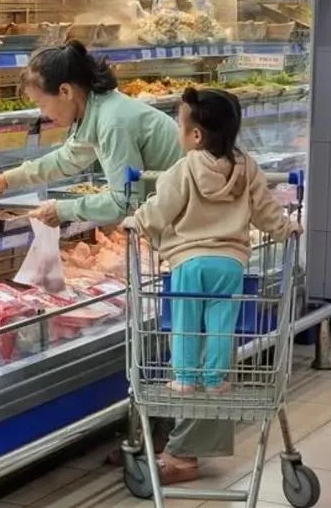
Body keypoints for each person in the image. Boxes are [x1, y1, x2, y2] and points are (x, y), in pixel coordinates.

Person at [122, 87, 302, 484]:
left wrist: (137, 224)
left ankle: (185, 378)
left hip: (188, 260)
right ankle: (216, 378)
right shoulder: (247, 167)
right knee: (222, 321)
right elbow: (266, 210)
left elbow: (161, 208)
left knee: (187, 320)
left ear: (196, 135)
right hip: (231, 262)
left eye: (180, 124)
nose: (177, 131)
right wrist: (286, 227)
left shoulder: (182, 171)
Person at [0, 40, 183, 227]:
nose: (43, 113)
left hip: (189, 222)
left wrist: (63, 211)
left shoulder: (113, 123)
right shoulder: (100, 109)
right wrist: (6, 180)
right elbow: (67, 159)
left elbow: (125, 201)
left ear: (65, 91)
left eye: (41, 103)